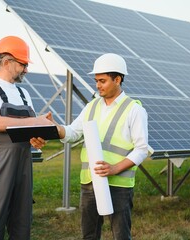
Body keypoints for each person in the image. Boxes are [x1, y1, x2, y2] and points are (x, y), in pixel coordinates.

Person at [52, 53, 149, 239]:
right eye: (96, 80)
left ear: (118, 79)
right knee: (89, 235)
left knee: (120, 235)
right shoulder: (92, 106)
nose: (97, 85)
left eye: (102, 81)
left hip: (118, 184)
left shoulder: (134, 110)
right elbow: (72, 132)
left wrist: (114, 169)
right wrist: (55, 128)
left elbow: (141, 149)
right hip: (90, 182)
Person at [0, 35, 52, 240]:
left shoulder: (24, 93)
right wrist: (36, 122)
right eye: (23, 64)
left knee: (22, 222)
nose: (26, 69)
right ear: (7, 62)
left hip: (23, 163)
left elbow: (31, 131)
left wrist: (38, 137)